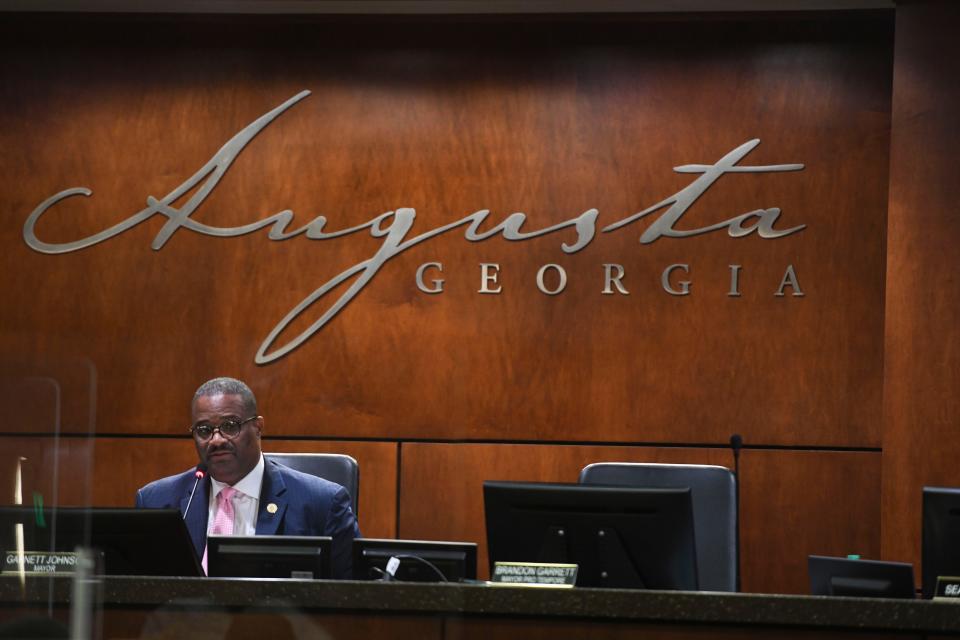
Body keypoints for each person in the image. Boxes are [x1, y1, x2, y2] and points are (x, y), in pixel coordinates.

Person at [135, 377, 360, 579]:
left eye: (230, 426)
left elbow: (354, 597)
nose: (216, 440)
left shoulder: (322, 503)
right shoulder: (157, 502)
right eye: (204, 430)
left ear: (258, 427)